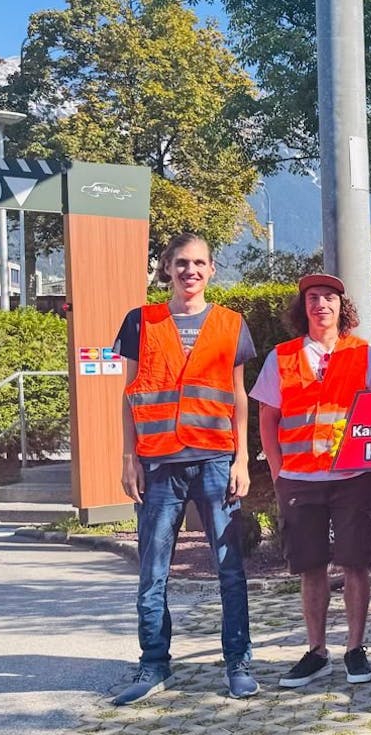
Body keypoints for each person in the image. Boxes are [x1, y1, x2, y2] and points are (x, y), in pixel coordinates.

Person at [112, 232, 256, 705]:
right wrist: (128, 456)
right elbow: (131, 393)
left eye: (199, 263)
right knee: (152, 572)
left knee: (229, 569)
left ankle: (237, 661)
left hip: (215, 458)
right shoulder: (142, 321)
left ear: (212, 269)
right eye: (181, 263)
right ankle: (153, 664)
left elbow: (238, 397)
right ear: (167, 268)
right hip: (158, 465)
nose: (190, 271)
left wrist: (242, 459)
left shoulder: (231, 324)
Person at [250, 273, 371, 689]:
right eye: (313, 297)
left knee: (356, 563)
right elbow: (267, 418)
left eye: (329, 297)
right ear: (303, 306)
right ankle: (316, 652)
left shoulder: (367, 355)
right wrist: (277, 472)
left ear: (341, 307)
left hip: (354, 477)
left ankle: (355, 648)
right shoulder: (283, 356)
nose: (321, 304)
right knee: (310, 566)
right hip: (299, 478)